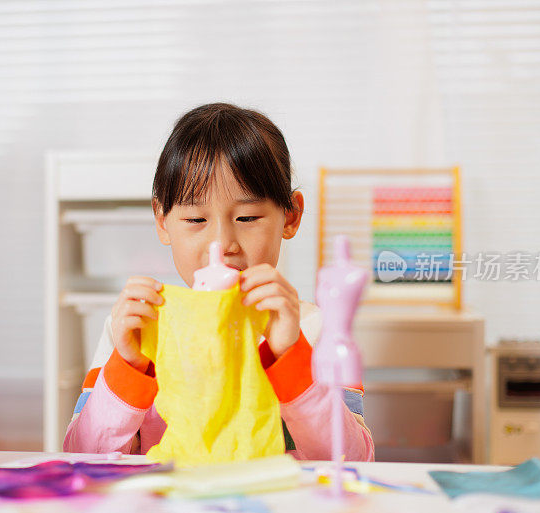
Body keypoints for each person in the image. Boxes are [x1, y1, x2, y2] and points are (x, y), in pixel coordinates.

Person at [64, 103, 374, 461]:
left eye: (247, 217)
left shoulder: (314, 330)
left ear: (290, 216)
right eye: (196, 219)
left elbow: (354, 461)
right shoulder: (136, 332)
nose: (221, 245)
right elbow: (81, 455)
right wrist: (130, 367)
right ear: (163, 221)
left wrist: (291, 359)